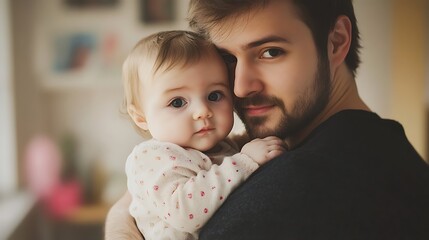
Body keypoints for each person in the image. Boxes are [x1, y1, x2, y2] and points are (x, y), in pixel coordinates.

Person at [106, 0, 429, 239]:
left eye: (270, 52)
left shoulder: (301, 187)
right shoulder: (380, 146)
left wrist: (119, 223)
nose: (241, 86)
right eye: (229, 59)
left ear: (336, 41)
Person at [117, 30, 285, 240]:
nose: (202, 111)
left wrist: (246, 144)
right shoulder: (151, 157)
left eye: (214, 95)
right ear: (141, 117)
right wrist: (245, 161)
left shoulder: (217, 147)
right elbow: (184, 212)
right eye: (177, 102)